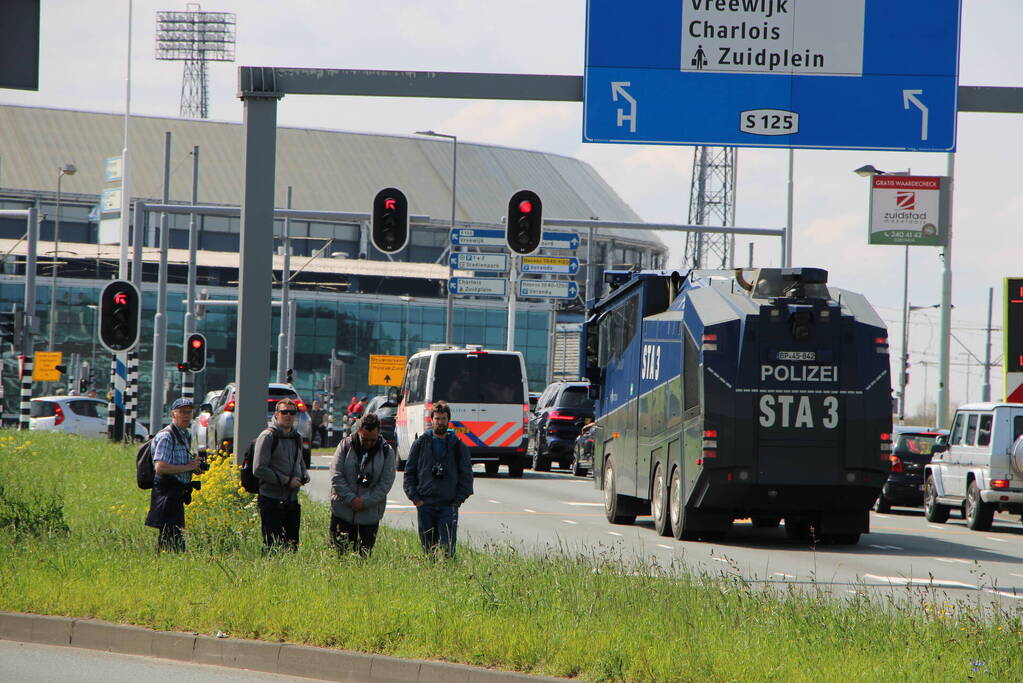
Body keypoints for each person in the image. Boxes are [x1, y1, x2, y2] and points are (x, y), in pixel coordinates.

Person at [403, 401, 473, 557]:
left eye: (443, 419)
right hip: (425, 504)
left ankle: (448, 575)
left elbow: (466, 475)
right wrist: (416, 499)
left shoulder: (457, 445)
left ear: (448, 421)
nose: (440, 422)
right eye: (437, 418)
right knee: (428, 550)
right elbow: (409, 473)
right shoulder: (420, 443)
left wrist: (457, 501)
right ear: (431, 419)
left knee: (448, 549)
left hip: (448, 505)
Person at [329, 413, 396, 555]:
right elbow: (336, 475)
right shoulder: (345, 445)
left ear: (379, 433)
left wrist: (364, 502)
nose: (369, 444)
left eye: (373, 440)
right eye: (365, 439)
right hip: (342, 511)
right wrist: (351, 499)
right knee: (339, 556)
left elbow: (386, 483)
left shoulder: (386, 451)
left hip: (369, 516)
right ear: (358, 431)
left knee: (363, 558)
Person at [145, 398, 203, 552]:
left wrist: (194, 467)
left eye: (189, 412)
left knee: (171, 533)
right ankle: (166, 564)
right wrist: (187, 466)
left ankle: (166, 562)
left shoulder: (185, 434)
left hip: (177, 491)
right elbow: (160, 467)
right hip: (166, 490)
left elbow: (179, 463)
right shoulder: (167, 436)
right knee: (170, 534)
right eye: (182, 412)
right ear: (173, 414)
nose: (186, 415)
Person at [253, 398, 309, 552]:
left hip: (291, 500)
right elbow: (258, 468)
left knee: (292, 547)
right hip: (271, 499)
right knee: (272, 546)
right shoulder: (267, 436)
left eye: (292, 412)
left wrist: (304, 474)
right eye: (284, 412)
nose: (288, 415)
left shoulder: (297, 437)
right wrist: (286, 481)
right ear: (276, 414)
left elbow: (300, 461)